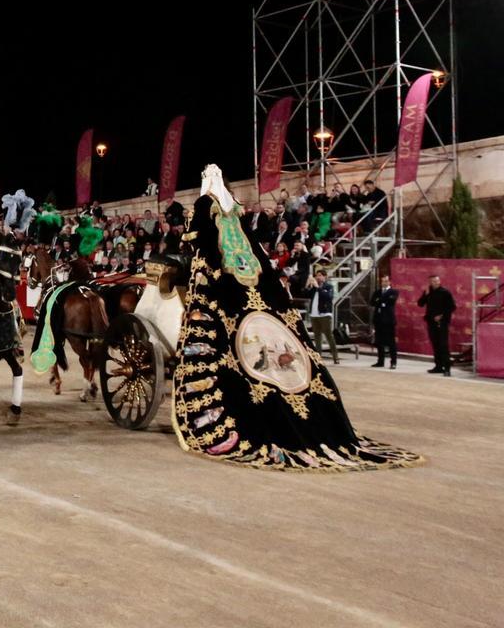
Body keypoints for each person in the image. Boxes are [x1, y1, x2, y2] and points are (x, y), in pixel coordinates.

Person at [170, 163, 420, 471]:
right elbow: (252, 247)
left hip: (226, 279)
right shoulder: (234, 207)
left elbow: (199, 243)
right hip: (256, 278)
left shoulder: (203, 204)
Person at [418, 274, 456, 376]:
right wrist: (425, 295)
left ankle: (447, 368)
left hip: (442, 322)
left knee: (443, 345)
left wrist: (442, 315)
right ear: (430, 282)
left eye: (436, 281)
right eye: (432, 281)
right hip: (431, 322)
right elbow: (420, 304)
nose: (434, 283)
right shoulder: (428, 291)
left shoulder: (445, 292)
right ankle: (438, 366)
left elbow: (452, 307)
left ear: (439, 281)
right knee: (435, 344)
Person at [303, 269, 339, 365]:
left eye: (320, 275)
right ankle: (318, 357)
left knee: (328, 336)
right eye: (317, 275)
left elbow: (328, 297)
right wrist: (307, 284)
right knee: (317, 336)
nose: (318, 277)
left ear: (325, 276)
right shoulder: (314, 288)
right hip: (314, 314)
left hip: (325, 314)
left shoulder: (329, 286)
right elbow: (305, 294)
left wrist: (318, 287)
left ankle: (335, 356)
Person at [370, 273, 398, 369]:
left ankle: (393, 362)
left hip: (389, 321)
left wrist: (380, 300)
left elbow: (391, 301)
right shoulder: (377, 292)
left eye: (386, 281)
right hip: (378, 320)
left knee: (391, 342)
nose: (384, 283)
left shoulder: (394, 292)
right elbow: (372, 302)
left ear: (389, 282)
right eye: (382, 281)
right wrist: (381, 300)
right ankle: (380, 361)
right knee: (379, 342)